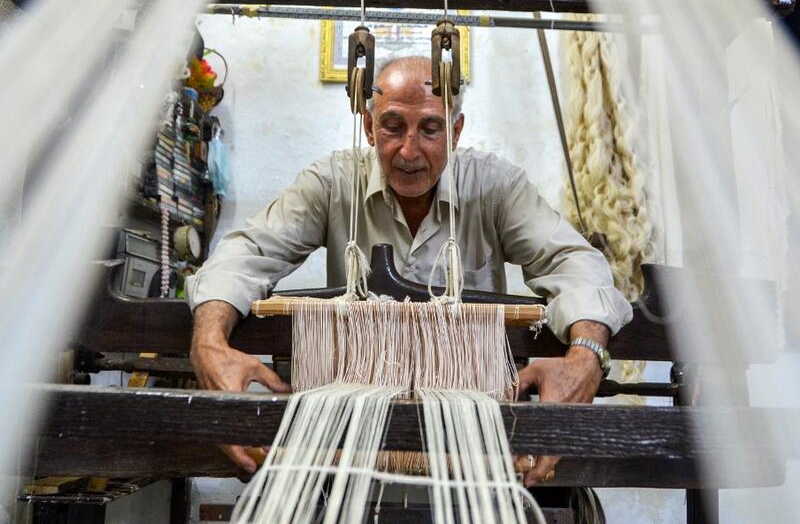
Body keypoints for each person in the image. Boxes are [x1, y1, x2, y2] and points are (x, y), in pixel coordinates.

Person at [186, 55, 632, 485]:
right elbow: (245, 253)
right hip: (350, 436)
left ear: (456, 131)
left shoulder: (495, 187)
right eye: (392, 126)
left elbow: (573, 261)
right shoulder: (332, 184)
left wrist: (584, 355)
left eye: (431, 128)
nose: (409, 150)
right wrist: (208, 342)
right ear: (368, 125)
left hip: (473, 437)